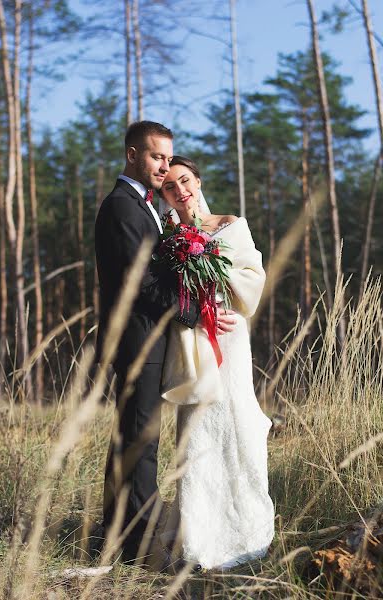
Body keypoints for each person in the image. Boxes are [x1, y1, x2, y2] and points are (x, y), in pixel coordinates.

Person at [94, 122, 236, 570]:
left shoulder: (145, 205)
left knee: (135, 439)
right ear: (133, 154)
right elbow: (140, 281)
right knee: (141, 441)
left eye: (169, 157)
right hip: (138, 339)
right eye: (157, 157)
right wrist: (193, 314)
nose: (165, 165)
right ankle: (136, 549)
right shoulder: (122, 207)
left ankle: (118, 538)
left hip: (148, 336)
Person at [158, 156, 275, 570]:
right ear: (164, 195)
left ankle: (245, 526)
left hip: (229, 332)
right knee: (197, 428)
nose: (181, 191)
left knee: (239, 419)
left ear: (197, 181)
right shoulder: (169, 236)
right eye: (171, 187)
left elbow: (253, 274)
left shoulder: (231, 224)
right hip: (193, 340)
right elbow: (162, 289)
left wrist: (226, 290)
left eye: (185, 181)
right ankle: (201, 531)